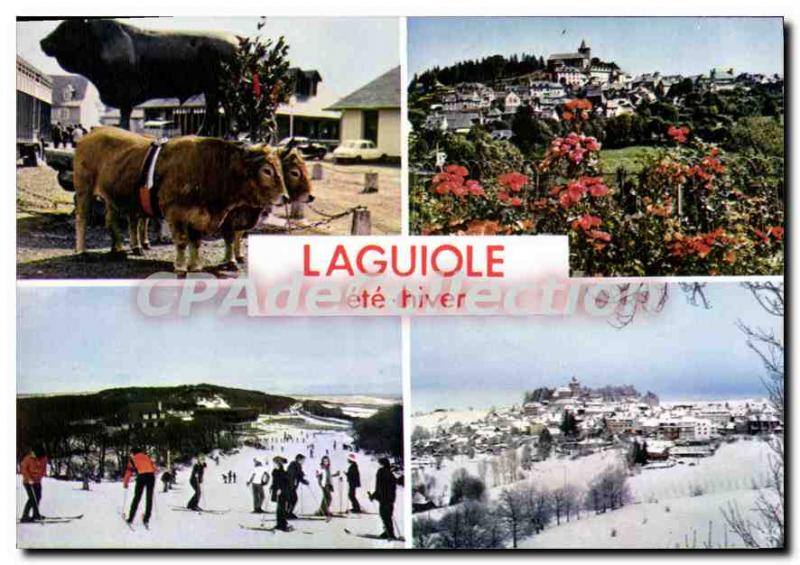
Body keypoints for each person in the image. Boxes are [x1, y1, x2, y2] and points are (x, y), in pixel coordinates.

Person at [123, 447, 156, 527]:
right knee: (149, 498)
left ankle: (130, 518)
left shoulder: (132, 459)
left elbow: (128, 472)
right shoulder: (146, 456)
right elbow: (154, 468)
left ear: (133, 453)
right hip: (151, 477)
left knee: (137, 497)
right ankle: (146, 518)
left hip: (141, 476)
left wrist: (125, 483)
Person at [369, 457, 398, 540]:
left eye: (379, 463)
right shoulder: (390, 473)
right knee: (387, 516)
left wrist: (374, 496)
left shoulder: (381, 472)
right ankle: (388, 532)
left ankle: (389, 534)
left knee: (385, 516)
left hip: (385, 499)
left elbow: (380, 487)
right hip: (389, 499)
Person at [19, 445, 47, 522]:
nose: (32, 454)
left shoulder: (43, 459)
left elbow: (43, 469)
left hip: (37, 482)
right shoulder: (28, 458)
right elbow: (23, 469)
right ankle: (25, 516)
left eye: (34, 453)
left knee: (38, 497)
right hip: (28, 482)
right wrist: (29, 479)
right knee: (32, 499)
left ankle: (36, 514)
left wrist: (39, 477)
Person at [270, 456, 292, 531]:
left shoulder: (282, 472)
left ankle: (283, 524)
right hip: (278, 492)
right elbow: (275, 482)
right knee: (279, 508)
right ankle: (280, 524)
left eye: (274, 463)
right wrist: (272, 487)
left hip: (283, 493)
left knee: (281, 508)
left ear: (278, 463)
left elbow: (285, 483)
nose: (273, 464)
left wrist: (280, 489)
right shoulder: (275, 471)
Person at [286, 454, 309, 519]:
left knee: (292, 499)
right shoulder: (295, 465)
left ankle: (288, 513)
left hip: (292, 485)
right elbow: (296, 475)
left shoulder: (296, 465)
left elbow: (299, 474)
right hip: (290, 485)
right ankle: (288, 513)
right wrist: (303, 480)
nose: (303, 462)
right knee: (293, 499)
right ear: (299, 459)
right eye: (303, 460)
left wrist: (302, 476)